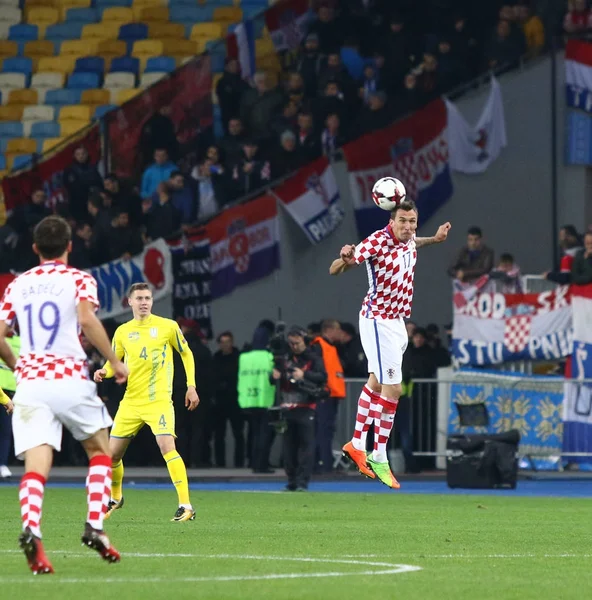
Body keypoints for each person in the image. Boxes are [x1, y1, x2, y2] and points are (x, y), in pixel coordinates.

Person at [0, 215, 129, 574]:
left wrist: (17, 366)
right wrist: (115, 362)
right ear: (70, 246)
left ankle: (31, 528)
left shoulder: (18, 284)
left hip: (31, 384)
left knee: (35, 466)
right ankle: (95, 526)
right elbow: (86, 320)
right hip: (69, 376)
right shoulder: (79, 279)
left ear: (35, 248)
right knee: (100, 450)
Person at [329, 200, 451, 488]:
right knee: (393, 388)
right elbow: (336, 269)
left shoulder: (408, 239)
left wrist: (434, 238)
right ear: (391, 221)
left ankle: (357, 443)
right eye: (402, 221)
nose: (408, 226)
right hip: (377, 319)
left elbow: (413, 243)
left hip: (397, 322)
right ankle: (379, 454)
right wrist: (345, 256)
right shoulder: (376, 241)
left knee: (374, 383)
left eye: (412, 221)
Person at [94, 283, 199, 522]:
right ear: (129, 302)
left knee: (167, 447)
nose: (144, 302)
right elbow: (114, 361)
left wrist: (191, 386)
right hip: (131, 401)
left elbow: (186, 353)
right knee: (112, 456)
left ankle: (186, 505)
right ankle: (116, 497)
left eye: (148, 298)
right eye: (139, 298)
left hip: (159, 400)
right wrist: (103, 371)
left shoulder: (167, 326)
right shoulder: (122, 331)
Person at [273, 326, 327, 491]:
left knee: (306, 447)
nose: (294, 346)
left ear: (305, 342)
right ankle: (292, 481)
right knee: (288, 448)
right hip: (287, 407)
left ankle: (302, 482)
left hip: (306, 406)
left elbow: (323, 377)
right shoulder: (284, 358)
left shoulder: (314, 358)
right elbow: (276, 378)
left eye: (297, 343)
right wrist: (275, 375)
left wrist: (304, 375)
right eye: (291, 343)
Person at [237, 325, 276, 474]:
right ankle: (261, 465)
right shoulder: (270, 356)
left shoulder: (244, 357)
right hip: (266, 399)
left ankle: (254, 462)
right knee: (264, 434)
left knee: (254, 433)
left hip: (248, 400)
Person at [311, 319, 345, 474]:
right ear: (329, 330)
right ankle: (324, 464)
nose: (339, 333)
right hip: (325, 395)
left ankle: (323, 462)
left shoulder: (330, 347)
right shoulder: (319, 346)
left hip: (332, 394)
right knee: (323, 431)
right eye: (337, 330)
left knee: (326, 430)